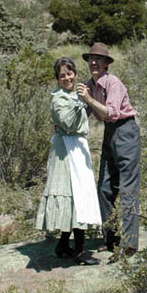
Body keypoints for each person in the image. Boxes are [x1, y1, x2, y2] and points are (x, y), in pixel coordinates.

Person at [76, 42, 141, 263]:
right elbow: (83, 111)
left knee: (128, 188)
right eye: (91, 59)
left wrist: (88, 100)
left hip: (125, 131)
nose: (94, 63)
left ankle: (130, 244)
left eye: (99, 60)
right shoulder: (89, 85)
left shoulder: (113, 83)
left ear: (106, 64)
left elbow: (112, 113)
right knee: (104, 188)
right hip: (109, 134)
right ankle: (110, 238)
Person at [36, 57, 102, 265]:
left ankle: (63, 244)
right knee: (75, 196)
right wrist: (81, 102)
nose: (67, 78)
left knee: (77, 196)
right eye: (62, 75)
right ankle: (80, 251)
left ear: (75, 73)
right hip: (66, 149)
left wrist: (86, 99)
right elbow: (67, 121)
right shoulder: (59, 99)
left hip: (76, 147)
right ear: (57, 78)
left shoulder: (74, 95)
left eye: (69, 73)